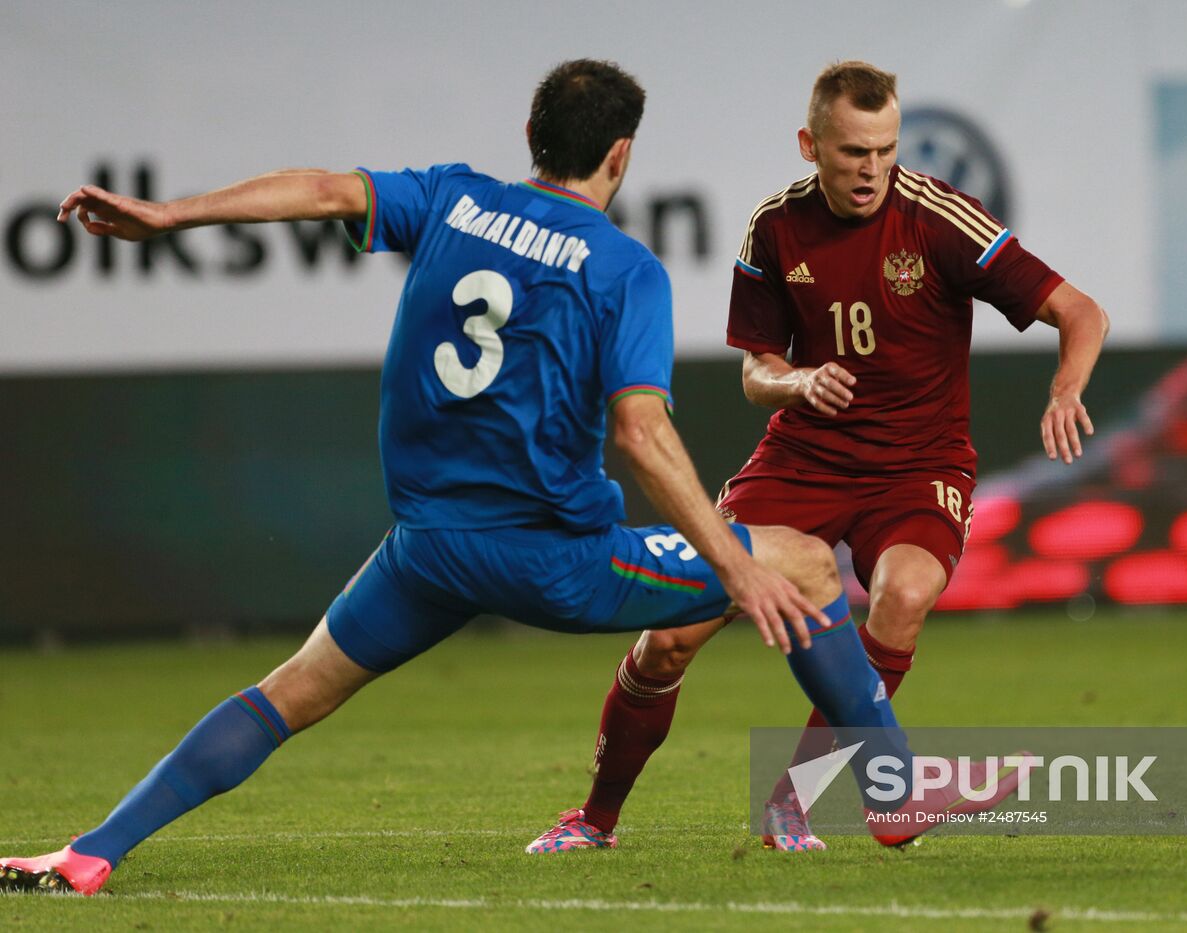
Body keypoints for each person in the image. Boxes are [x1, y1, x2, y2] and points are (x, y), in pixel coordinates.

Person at [0, 59, 972, 896]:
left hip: (425, 553)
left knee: (287, 692)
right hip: (554, 562)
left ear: (530, 136)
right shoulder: (623, 268)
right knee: (801, 563)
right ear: (620, 157)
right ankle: (887, 800)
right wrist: (734, 563)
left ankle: (92, 851)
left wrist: (169, 213)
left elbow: (324, 189)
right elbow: (639, 431)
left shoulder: (453, 198)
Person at [528, 61, 1108, 854]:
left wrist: (1066, 388)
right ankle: (593, 819)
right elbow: (754, 370)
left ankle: (793, 804)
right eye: (851, 153)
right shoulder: (776, 227)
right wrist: (795, 380)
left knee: (901, 594)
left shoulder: (939, 218)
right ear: (812, 144)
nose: (871, 169)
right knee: (670, 636)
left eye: (885, 150)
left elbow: (1080, 311)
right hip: (802, 462)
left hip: (918, 464)